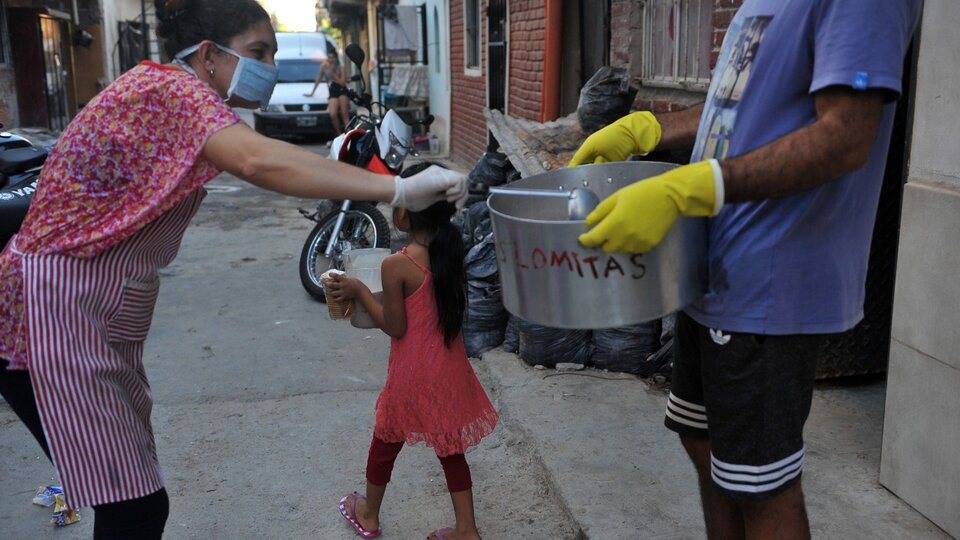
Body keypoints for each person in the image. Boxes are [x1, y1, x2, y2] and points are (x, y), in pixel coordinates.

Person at [0, 0, 466, 538]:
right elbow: (258, 160)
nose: (269, 66)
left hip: (88, 313)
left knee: (132, 493)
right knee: (134, 505)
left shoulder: (183, 96)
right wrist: (398, 188)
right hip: (47, 315)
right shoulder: (172, 92)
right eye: (257, 52)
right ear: (209, 55)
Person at [569, 0, 921, 538]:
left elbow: (847, 136)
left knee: (759, 484)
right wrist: (650, 130)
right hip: (715, 260)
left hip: (771, 277)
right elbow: (738, 105)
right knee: (702, 439)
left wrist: (693, 186)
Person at [326, 196, 498, 540]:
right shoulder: (450, 249)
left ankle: (369, 514)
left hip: (414, 373)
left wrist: (359, 289)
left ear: (404, 214)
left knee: (385, 441)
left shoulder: (397, 264)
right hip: (449, 369)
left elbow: (395, 326)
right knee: (451, 451)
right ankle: (467, 529)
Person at [304, 50, 351, 136]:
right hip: (332, 91)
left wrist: (333, 73)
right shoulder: (324, 66)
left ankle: (349, 134)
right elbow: (318, 78)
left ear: (336, 58)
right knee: (332, 114)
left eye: (332, 57)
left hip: (341, 90)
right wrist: (312, 92)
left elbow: (342, 82)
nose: (331, 59)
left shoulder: (341, 67)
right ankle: (339, 134)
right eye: (329, 57)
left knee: (344, 114)